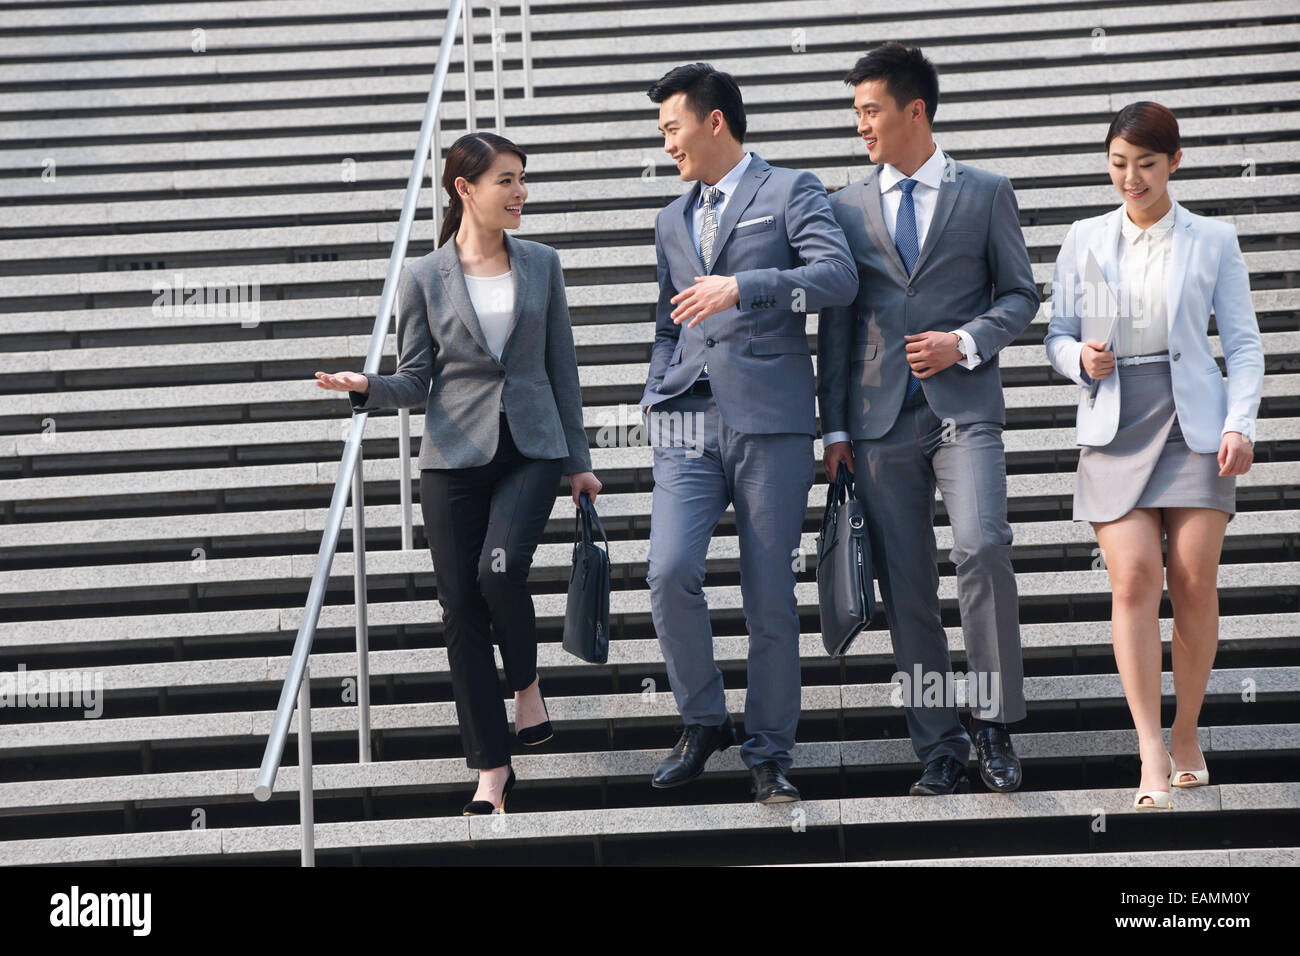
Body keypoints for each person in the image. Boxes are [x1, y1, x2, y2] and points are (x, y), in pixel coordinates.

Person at [314, 132, 601, 815]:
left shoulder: (543, 264)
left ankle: (526, 684)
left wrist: (580, 464)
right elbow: (417, 379)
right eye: (507, 180)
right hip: (453, 461)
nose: (521, 191)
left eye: (523, 179)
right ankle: (492, 773)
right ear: (464, 189)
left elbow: (562, 369)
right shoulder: (423, 277)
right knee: (460, 612)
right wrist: (367, 386)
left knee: (497, 572)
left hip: (531, 449)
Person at [817, 43, 1039, 796]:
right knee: (907, 585)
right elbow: (839, 324)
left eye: (871, 111)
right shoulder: (844, 206)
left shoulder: (986, 192)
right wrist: (836, 429)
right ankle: (937, 747)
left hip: (964, 410)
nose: (862, 128)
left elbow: (1020, 295)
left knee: (982, 547)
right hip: (878, 427)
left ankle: (996, 723)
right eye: (856, 114)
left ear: (916, 110)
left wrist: (964, 341)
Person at [639, 63, 858, 804]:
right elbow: (665, 323)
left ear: (714, 122)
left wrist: (746, 285)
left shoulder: (790, 190)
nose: (666, 142)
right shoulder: (671, 220)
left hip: (770, 421)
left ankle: (768, 753)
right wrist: (653, 398)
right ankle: (703, 719)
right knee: (668, 572)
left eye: (672, 127)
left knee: (769, 594)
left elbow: (838, 277)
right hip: (685, 421)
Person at [1044, 102, 1263, 810]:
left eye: (1145, 163)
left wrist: (1241, 423)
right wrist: (1081, 356)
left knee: (1193, 580)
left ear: (1174, 161)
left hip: (1194, 420)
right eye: (1117, 164)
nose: (1130, 178)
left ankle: (1188, 730)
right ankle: (1148, 748)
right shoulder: (1084, 238)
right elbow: (1057, 334)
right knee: (1135, 579)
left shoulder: (1212, 239)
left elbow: (1245, 343)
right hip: (1116, 420)